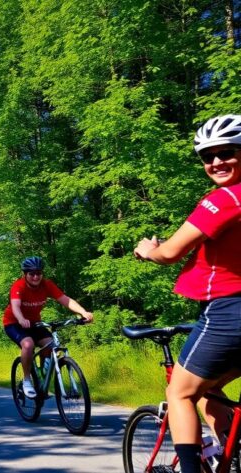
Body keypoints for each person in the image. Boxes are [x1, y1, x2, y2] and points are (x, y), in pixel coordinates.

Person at [133, 114, 241, 473]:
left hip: (229, 312)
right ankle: (229, 455)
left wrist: (148, 249)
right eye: (207, 157)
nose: (215, 163)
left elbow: (169, 253)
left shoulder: (225, 199)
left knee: (179, 393)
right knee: (211, 391)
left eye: (226, 152)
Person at [2, 257, 93, 398]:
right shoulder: (18, 286)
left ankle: (42, 378)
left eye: (38, 273)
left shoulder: (47, 285)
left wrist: (83, 312)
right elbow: (15, 306)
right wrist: (21, 319)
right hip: (14, 323)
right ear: (24, 274)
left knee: (51, 344)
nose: (36, 276)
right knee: (28, 344)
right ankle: (27, 380)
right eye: (31, 274)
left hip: (35, 324)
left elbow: (66, 300)